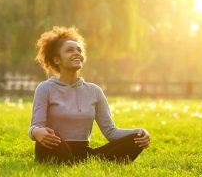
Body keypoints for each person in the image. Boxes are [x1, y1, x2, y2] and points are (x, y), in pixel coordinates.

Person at [28, 26, 150, 164]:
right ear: (57, 60)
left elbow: (111, 132)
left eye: (79, 50)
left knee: (136, 139)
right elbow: (35, 126)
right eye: (70, 50)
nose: (77, 53)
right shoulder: (45, 88)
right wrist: (36, 132)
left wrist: (140, 132)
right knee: (55, 142)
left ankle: (74, 162)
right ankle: (72, 162)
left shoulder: (94, 91)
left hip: (83, 153)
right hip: (53, 147)